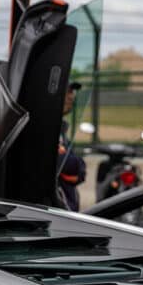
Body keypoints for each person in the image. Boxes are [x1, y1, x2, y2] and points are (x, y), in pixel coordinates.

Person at [56, 81, 87, 211]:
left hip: (67, 211)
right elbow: (69, 165)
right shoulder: (47, 128)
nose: (71, 96)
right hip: (56, 213)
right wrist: (77, 167)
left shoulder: (61, 130)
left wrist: (78, 168)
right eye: (67, 91)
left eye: (72, 92)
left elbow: (80, 172)